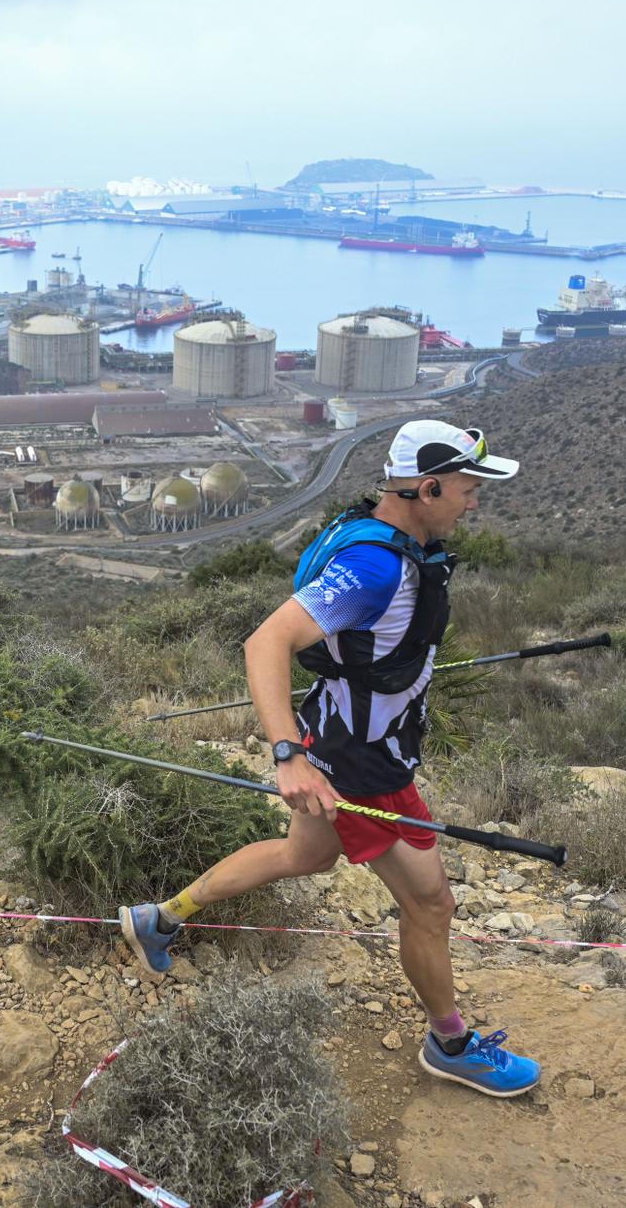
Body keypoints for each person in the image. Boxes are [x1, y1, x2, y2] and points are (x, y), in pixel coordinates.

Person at [120, 420, 541, 1098]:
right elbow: (265, 642)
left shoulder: (403, 547)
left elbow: (376, 647)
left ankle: (159, 917)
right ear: (427, 486)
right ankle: (451, 1041)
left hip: (365, 744)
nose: (474, 500)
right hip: (356, 761)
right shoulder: (377, 565)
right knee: (431, 905)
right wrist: (290, 755)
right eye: (467, 486)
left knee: (304, 855)